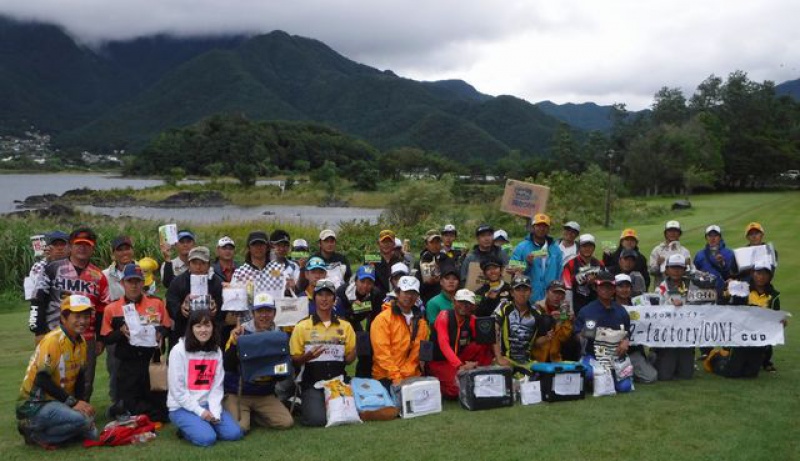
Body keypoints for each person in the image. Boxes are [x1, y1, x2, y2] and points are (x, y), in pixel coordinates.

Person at [29, 227, 109, 402]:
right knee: (51, 376)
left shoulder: (99, 276)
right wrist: (37, 330)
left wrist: (101, 338)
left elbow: (103, 309)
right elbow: (38, 299)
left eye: (87, 245)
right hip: (53, 334)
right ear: (70, 246)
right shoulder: (53, 268)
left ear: (92, 248)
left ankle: (82, 412)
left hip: (86, 337)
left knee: (85, 379)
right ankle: (50, 413)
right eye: (78, 244)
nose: (82, 248)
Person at [17, 295, 98, 449]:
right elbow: (41, 379)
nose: (83, 321)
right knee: (83, 422)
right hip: (36, 404)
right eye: (78, 316)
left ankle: (44, 433)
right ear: (63, 317)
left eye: (86, 317)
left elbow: (80, 377)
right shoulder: (52, 341)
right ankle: (34, 430)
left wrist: (82, 404)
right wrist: (73, 403)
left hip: (58, 401)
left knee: (91, 427)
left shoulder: (81, 342)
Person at [101, 263, 172, 421]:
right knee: (130, 409)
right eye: (130, 281)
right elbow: (106, 337)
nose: (134, 285)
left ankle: (147, 411)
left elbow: (167, 327)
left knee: (163, 414)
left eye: (138, 281)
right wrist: (121, 332)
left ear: (143, 283)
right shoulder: (112, 309)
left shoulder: (156, 303)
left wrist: (160, 334)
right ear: (122, 283)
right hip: (128, 364)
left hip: (152, 362)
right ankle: (122, 408)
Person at [168, 309, 243, 447]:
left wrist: (214, 412)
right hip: (182, 406)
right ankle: (187, 429)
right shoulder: (178, 351)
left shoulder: (216, 351)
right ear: (191, 329)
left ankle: (201, 425)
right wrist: (201, 412)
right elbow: (177, 391)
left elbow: (217, 385)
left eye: (207, 326)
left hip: (207, 403)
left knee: (234, 434)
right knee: (207, 439)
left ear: (213, 328)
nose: (203, 330)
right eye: (198, 326)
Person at [223, 293, 294, 432]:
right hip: (238, 392)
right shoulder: (240, 332)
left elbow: (283, 370)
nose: (264, 315)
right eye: (260, 311)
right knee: (240, 428)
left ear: (274, 313)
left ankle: (254, 415)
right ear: (253, 313)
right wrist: (235, 344)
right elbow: (227, 365)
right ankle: (231, 408)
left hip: (264, 393)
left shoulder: (279, 334)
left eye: (268, 311)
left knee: (286, 422)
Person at [289, 279, 356, 427]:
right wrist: (307, 357)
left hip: (338, 382)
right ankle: (303, 400)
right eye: (320, 295)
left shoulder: (345, 326)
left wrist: (356, 351)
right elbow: (294, 360)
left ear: (334, 299)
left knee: (346, 417)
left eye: (328, 295)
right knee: (316, 420)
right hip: (312, 383)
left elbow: (350, 359)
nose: (324, 299)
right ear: (314, 298)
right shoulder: (302, 326)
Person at [709, 261, 783, 376]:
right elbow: (722, 304)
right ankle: (715, 357)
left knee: (751, 374)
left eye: (765, 274)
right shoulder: (742, 289)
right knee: (732, 373)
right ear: (753, 274)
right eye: (758, 273)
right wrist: (727, 289)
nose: (761, 277)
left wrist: (781, 323)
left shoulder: (773, 296)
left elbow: (774, 318)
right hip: (740, 337)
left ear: (770, 276)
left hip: (758, 340)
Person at [427, 289, 494, 399]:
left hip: (459, 358)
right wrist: (460, 366)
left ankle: (481, 372)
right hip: (440, 361)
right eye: (461, 302)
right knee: (455, 389)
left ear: (473, 306)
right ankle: (435, 379)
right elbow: (444, 345)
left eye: (468, 303)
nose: (464, 305)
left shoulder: (472, 319)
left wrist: (475, 363)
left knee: (483, 343)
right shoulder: (444, 316)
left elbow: (486, 341)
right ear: (454, 302)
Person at [371, 276, 430, 388]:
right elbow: (382, 354)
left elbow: (416, 355)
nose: (409, 296)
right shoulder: (382, 319)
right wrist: (397, 377)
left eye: (413, 293)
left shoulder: (421, 323)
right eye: (406, 292)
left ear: (417, 296)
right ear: (397, 293)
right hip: (385, 376)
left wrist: (405, 376)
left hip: (411, 375)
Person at [166, 246, 224, 351]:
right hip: (182, 335)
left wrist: (216, 309)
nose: (198, 266)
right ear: (188, 264)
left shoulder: (217, 282)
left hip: (210, 338)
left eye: (202, 263)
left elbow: (223, 310)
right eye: (194, 263)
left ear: (209, 264)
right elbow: (170, 306)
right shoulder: (177, 282)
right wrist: (181, 310)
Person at [102, 235, 136, 404]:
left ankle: (139, 404)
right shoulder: (104, 275)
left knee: (139, 367)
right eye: (119, 249)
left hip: (139, 326)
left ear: (132, 250)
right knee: (115, 367)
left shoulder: (142, 270)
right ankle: (117, 405)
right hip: (115, 328)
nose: (124, 252)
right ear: (113, 253)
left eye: (127, 248)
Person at [573, 272, 631, 367]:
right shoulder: (587, 311)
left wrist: (625, 341)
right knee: (590, 374)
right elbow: (578, 336)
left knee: (625, 382)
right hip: (593, 356)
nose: (606, 290)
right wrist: (582, 335)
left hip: (616, 356)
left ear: (614, 289)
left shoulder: (621, 311)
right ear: (596, 288)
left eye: (610, 287)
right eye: (603, 286)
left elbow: (627, 332)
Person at [493, 275, 553, 367]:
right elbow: (493, 331)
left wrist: (546, 338)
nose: (522, 293)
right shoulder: (503, 307)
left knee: (542, 374)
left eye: (525, 290)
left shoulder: (537, 314)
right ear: (512, 293)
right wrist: (499, 357)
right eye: (518, 290)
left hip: (527, 362)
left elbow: (536, 342)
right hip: (505, 359)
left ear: (531, 292)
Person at [336, 265, 384, 378]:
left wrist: (371, 336)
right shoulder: (342, 291)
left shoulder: (375, 294)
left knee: (365, 349)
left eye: (369, 283)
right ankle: (338, 374)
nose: (365, 286)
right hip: (341, 322)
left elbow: (375, 319)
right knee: (341, 351)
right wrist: (351, 309)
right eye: (362, 281)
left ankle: (362, 378)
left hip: (356, 323)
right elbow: (337, 316)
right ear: (356, 280)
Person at [654, 254, 694, 381]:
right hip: (668, 334)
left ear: (684, 270)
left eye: (679, 267)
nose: (676, 270)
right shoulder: (661, 287)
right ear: (667, 269)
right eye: (673, 267)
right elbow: (656, 309)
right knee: (665, 376)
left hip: (686, 334)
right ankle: (655, 357)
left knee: (686, 375)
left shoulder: (691, 285)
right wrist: (670, 305)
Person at [510, 214, 563, 303]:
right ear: (532, 227)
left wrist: (556, 292)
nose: (542, 229)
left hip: (550, 299)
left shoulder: (555, 249)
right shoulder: (521, 247)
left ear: (548, 229)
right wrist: (527, 263)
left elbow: (559, 273)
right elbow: (512, 269)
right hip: (528, 299)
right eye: (538, 225)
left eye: (545, 226)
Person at [614, 274, 657, 383]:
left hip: (634, 351)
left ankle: (634, 369)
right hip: (614, 350)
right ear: (614, 288)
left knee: (651, 377)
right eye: (620, 286)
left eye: (627, 287)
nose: (624, 290)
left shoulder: (638, 304)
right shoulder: (610, 304)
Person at [561, 234, 604, 314]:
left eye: (590, 246)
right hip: (576, 306)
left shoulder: (600, 264)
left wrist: (595, 281)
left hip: (595, 306)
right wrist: (570, 310)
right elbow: (567, 289)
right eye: (584, 246)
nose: (587, 249)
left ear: (594, 248)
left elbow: (605, 287)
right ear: (579, 247)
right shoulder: (570, 264)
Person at [533, 281, 575, 362]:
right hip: (538, 353)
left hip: (555, 354)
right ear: (547, 292)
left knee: (574, 340)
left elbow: (564, 338)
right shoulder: (536, 308)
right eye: (554, 292)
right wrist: (550, 318)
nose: (557, 296)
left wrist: (565, 321)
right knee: (546, 320)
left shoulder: (565, 312)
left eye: (561, 294)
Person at [693, 225, 736, 298]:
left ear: (720, 237)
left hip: (724, 291)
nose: (712, 238)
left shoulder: (730, 253)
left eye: (715, 235)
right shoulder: (699, 255)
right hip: (705, 292)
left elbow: (734, 273)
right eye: (710, 236)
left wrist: (722, 264)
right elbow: (694, 273)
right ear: (706, 238)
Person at [25, 231, 69, 301]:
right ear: (48, 247)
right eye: (55, 244)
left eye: (62, 244)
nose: (59, 248)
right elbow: (35, 290)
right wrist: (49, 263)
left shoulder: (75, 263)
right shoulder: (39, 265)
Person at [649, 220, 693, 288]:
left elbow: (689, 273)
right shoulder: (657, 250)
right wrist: (657, 264)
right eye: (670, 231)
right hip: (661, 289)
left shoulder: (684, 251)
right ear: (665, 233)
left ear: (679, 233)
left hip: (681, 289)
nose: (673, 233)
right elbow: (652, 272)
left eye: (675, 231)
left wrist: (688, 265)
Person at [415, 229, 448, 304]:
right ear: (426, 245)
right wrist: (427, 283)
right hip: (427, 300)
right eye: (432, 242)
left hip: (445, 300)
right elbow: (416, 286)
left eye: (437, 242)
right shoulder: (420, 262)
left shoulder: (446, 259)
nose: (435, 245)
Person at [424, 260, 460, 325]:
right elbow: (434, 326)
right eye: (447, 278)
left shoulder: (462, 301)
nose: (451, 281)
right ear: (441, 282)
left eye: (454, 279)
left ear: (458, 283)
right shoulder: (433, 303)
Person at [373, 230, 403, 296]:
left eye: (389, 242)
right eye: (383, 242)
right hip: (376, 298)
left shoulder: (400, 259)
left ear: (394, 244)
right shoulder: (371, 258)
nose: (386, 244)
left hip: (397, 297)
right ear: (378, 243)